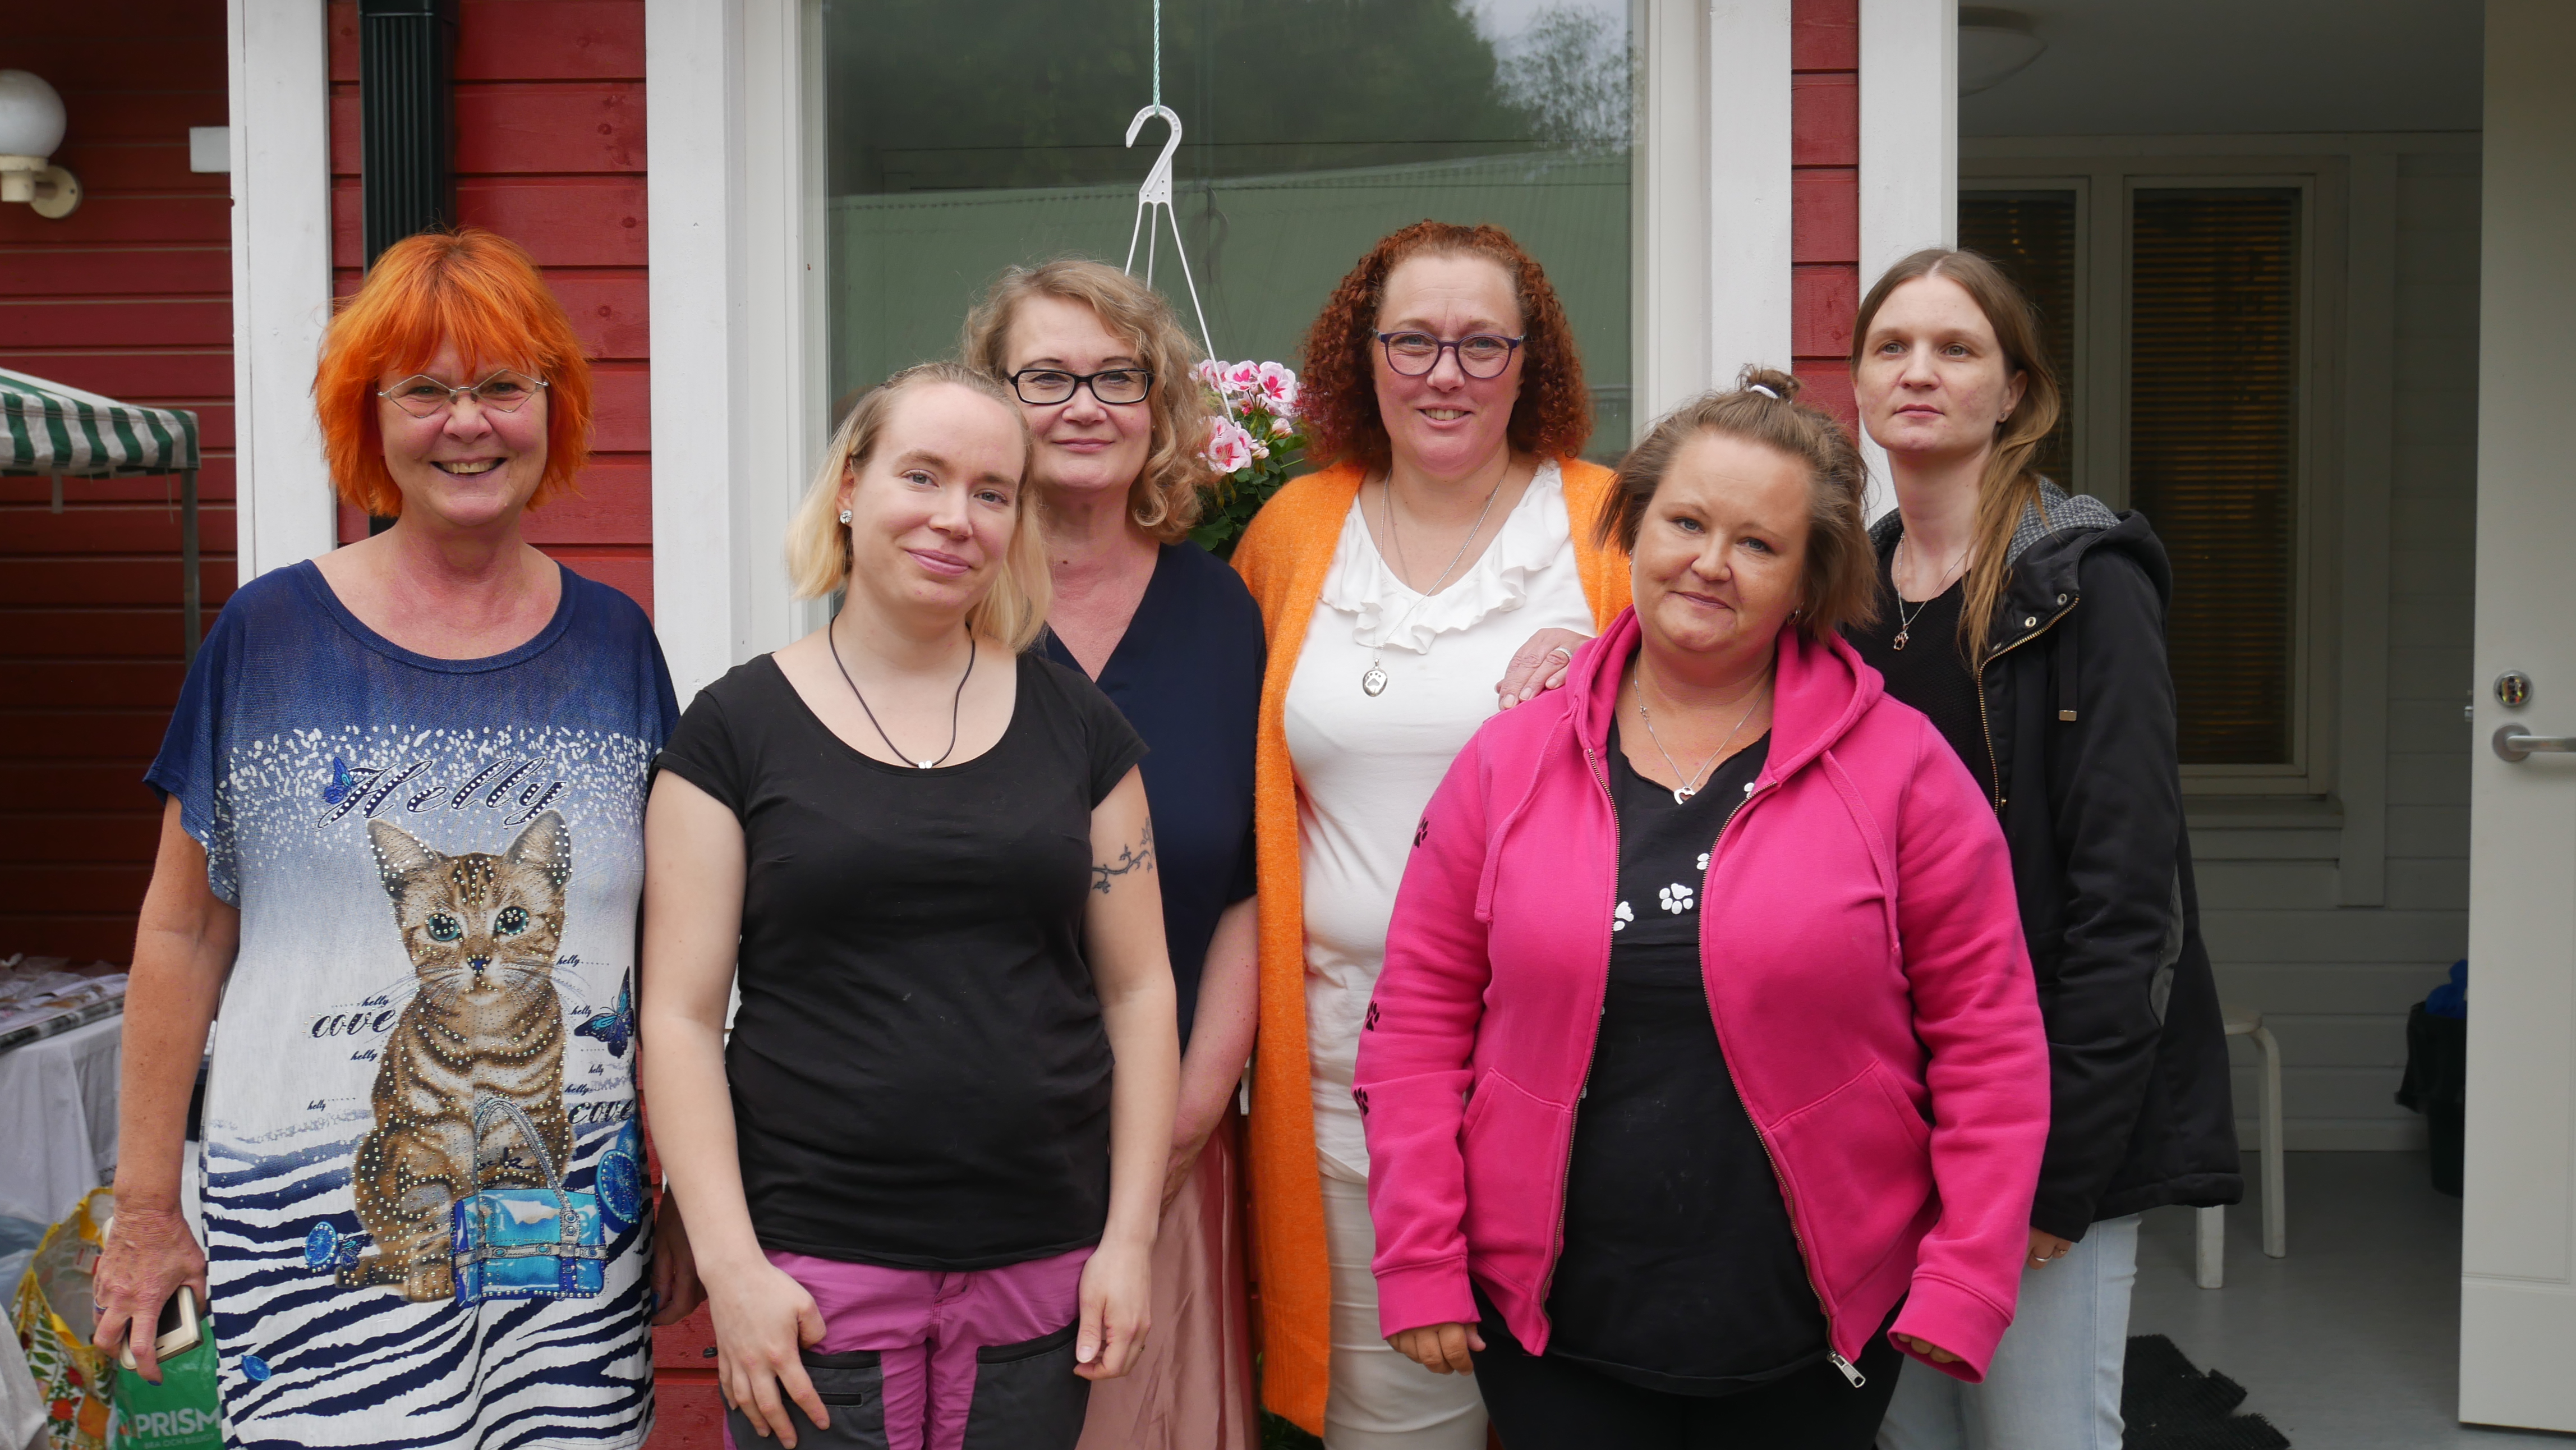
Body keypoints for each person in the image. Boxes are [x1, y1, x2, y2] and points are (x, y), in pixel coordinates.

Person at [1358, 371, 2051, 1450]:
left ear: (1809, 579)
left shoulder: (1904, 770)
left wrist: (1966, 1278)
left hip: (1811, 1329)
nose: (1711, 563)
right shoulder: (1509, 762)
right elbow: (1416, 1026)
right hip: (1551, 1327)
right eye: (1685, 522)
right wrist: (1420, 1258)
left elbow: (1990, 1043)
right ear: (1635, 526)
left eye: (1758, 544)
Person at [90, 227, 693, 1447]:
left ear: (554, 407)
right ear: (370, 419)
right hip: (317, 1244)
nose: (467, 423)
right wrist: (145, 1207)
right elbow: (182, 932)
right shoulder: (268, 639)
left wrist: (688, 1187)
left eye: (503, 385)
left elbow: (674, 952)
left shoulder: (616, 648)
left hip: (563, 1257)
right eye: (424, 390)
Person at [638, 362, 1181, 1450]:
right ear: (850, 485)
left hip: (1040, 1266)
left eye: (992, 491)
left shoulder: (1078, 727)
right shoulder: (734, 730)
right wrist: (733, 1266)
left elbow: (1139, 991)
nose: (955, 518)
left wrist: (1128, 1239)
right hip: (812, 1269)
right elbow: (681, 1017)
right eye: (922, 475)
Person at [1230, 220, 1631, 1447]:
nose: (1444, 374)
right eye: (1412, 340)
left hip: (1582, 1080)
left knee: (1585, 1411)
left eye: (1480, 344)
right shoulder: (1292, 532)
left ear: (1529, 360)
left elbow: (1725, 720)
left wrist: (1618, 657)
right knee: (1395, 1425)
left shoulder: (1613, 528)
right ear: (1364, 356)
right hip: (1346, 1081)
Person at [1847, 250, 2241, 1450]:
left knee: (2039, 1432)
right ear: (1858, 383)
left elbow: (2130, 900)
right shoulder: (1852, 595)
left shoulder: (2084, 582)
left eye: (1956, 348)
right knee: (1908, 1436)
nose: (1919, 372)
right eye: (1891, 346)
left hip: (2031, 1116)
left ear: (2014, 390)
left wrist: (2060, 1167)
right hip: (1884, 1116)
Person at [962, 259, 1264, 1450]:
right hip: (967, 1143)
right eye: (1045, 377)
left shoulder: (1224, 612)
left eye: (1116, 377)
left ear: (1160, 404)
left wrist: (1190, 1113)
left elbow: (1249, 882)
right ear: (993, 400)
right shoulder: (943, 607)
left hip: (1173, 1139)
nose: (1084, 406)